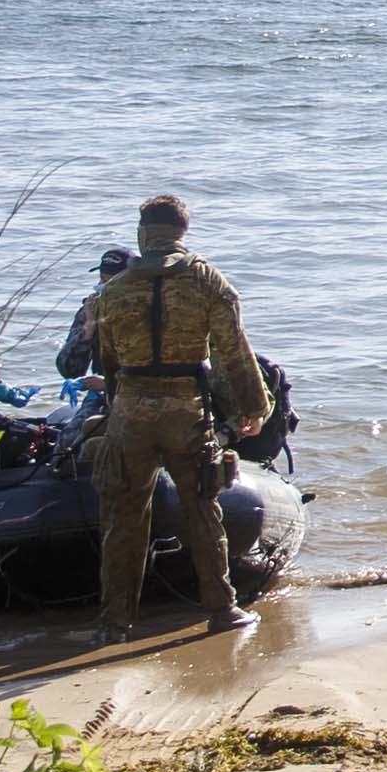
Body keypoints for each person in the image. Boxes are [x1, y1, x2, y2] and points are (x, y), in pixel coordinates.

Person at [78, 196, 268, 640]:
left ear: (143, 233)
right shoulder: (207, 282)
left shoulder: (113, 290)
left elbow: (106, 361)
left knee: (124, 519)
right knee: (202, 510)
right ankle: (222, 610)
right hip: (187, 411)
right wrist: (252, 410)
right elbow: (233, 354)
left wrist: (117, 406)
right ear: (182, 232)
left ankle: (114, 623)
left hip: (130, 411)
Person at [53, 246, 141, 384]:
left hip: (138, 388)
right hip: (105, 390)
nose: (104, 285)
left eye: (112, 280)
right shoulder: (91, 310)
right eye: (102, 278)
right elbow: (70, 371)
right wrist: (89, 326)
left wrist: (110, 384)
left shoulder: (144, 308)